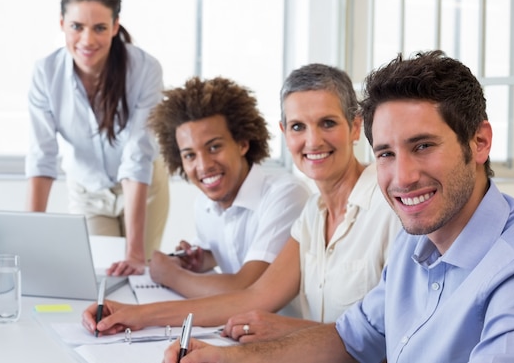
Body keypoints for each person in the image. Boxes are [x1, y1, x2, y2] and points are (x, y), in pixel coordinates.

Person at [163, 50, 514, 363]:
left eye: (423, 146)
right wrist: (226, 357)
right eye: (386, 154)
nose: (403, 177)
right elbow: (349, 337)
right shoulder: (415, 242)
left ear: (479, 142)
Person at [81, 64, 401, 340]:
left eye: (327, 123)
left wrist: (288, 330)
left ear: (356, 126)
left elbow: (393, 337)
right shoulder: (312, 216)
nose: (312, 141)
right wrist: (135, 315)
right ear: (284, 134)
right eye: (298, 127)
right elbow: (254, 297)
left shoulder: (391, 206)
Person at [25, 0, 170, 276]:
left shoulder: (145, 69)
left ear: (116, 27)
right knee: (97, 274)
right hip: (88, 190)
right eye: (77, 26)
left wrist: (134, 252)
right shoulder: (45, 74)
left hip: (143, 187)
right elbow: (43, 156)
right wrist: (29, 241)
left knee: (136, 271)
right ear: (62, 23)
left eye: (100, 28)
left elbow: (137, 155)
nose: (87, 40)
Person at [145, 76, 311, 298]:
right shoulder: (204, 205)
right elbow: (230, 247)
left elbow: (245, 290)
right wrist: (201, 259)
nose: (203, 165)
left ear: (242, 143)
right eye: (190, 155)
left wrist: (169, 274)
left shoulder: (286, 196)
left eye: (214, 147)